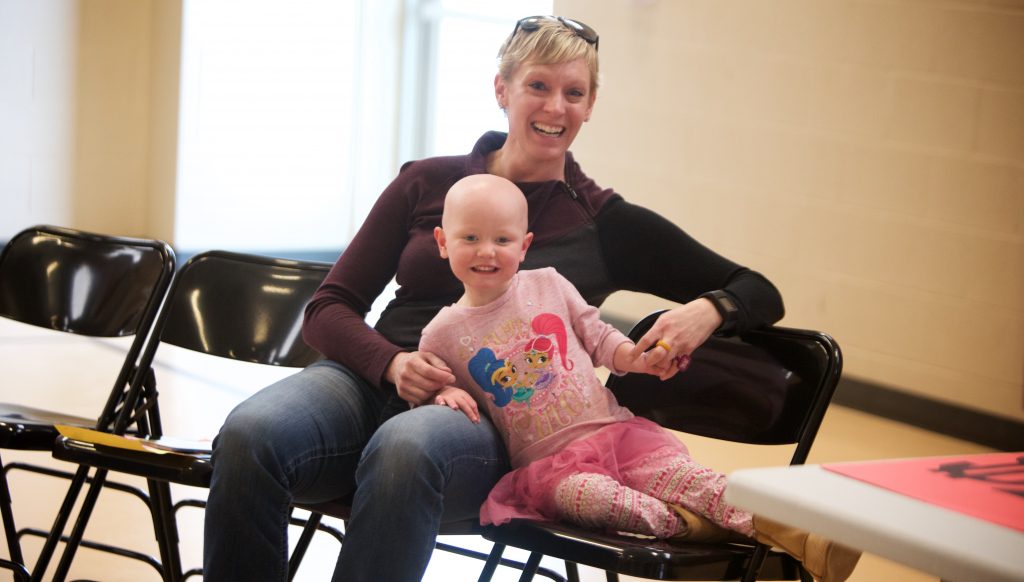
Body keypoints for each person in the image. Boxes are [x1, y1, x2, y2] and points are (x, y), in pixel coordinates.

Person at [205, 15, 793, 582]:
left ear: (591, 105)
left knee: (405, 447)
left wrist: (708, 309)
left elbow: (758, 290)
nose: (555, 107)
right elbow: (327, 308)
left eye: (573, 92)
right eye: (538, 86)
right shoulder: (426, 181)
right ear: (501, 89)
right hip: (369, 380)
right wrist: (393, 363)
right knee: (252, 432)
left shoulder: (607, 223)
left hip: (491, 420)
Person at [420, 174, 860, 582]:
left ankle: (808, 535)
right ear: (442, 242)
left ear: (524, 245)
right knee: (592, 498)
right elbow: (432, 385)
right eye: (470, 238)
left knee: (690, 479)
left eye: (502, 239)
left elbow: (598, 337)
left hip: (613, 436)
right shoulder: (441, 333)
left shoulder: (548, 284)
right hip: (548, 470)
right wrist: (444, 391)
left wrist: (634, 358)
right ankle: (699, 526)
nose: (486, 251)